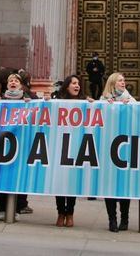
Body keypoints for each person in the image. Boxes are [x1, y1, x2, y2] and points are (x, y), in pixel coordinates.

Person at [0, 71, 36, 220]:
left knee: (18, 175)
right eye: (10, 80)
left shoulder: (29, 98)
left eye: (16, 81)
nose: (13, 82)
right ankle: (2, 207)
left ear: (21, 85)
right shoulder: (0, 98)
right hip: (4, 141)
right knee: (3, 175)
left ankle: (16, 208)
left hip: (23, 142)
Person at [101, 72, 135, 231]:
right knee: (110, 186)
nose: (123, 82)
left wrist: (130, 105)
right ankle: (112, 220)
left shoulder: (130, 99)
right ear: (113, 83)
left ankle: (125, 219)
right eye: (120, 80)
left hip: (125, 147)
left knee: (123, 186)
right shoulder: (104, 100)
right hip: (108, 146)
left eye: (124, 80)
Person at [53, 74, 84, 227]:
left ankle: (70, 213)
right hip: (59, 145)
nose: (77, 85)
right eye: (73, 83)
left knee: (71, 182)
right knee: (59, 181)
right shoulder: (57, 101)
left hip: (77, 146)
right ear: (66, 86)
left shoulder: (85, 102)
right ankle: (60, 212)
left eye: (78, 83)